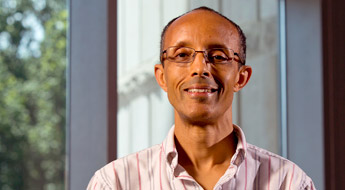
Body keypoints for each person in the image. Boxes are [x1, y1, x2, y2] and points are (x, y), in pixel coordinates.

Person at [87, 6, 315, 190]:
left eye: (217, 56)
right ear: (162, 76)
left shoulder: (289, 182)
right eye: (182, 55)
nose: (200, 68)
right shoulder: (115, 183)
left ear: (241, 77)